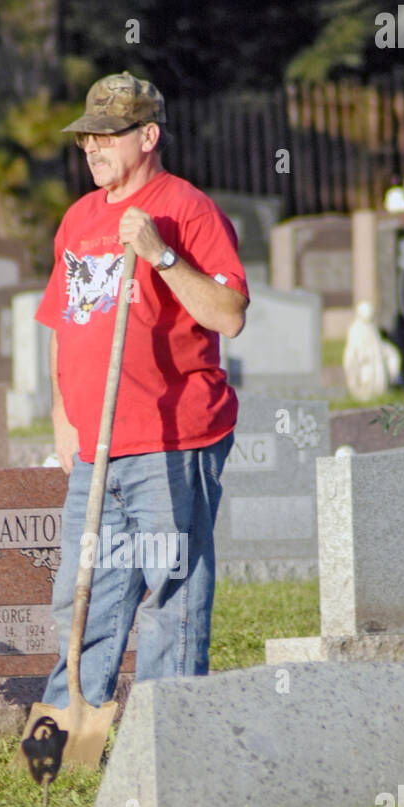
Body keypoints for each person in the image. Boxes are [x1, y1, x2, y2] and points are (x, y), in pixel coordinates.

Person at [35, 70, 249, 710]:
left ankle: (169, 733)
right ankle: (68, 725)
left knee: (168, 595)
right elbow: (63, 328)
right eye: (85, 139)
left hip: (172, 440)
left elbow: (228, 313)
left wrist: (161, 255)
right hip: (96, 447)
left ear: (148, 135)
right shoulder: (77, 220)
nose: (92, 148)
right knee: (83, 592)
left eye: (106, 135)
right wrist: (64, 426)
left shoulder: (188, 210)